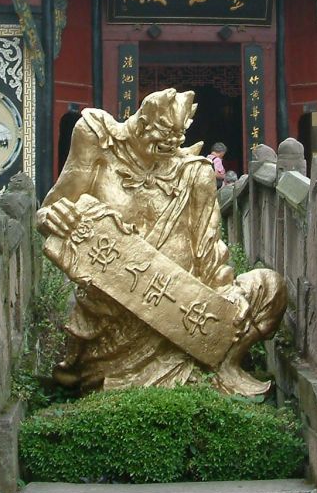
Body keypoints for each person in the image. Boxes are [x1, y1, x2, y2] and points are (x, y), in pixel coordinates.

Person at [38, 89, 285, 396]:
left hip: (181, 307)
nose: (169, 151)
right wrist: (52, 217)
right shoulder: (97, 139)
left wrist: (225, 299)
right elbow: (50, 209)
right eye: (162, 141)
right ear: (142, 124)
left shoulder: (193, 172)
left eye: (175, 142)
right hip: (117, 311)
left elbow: (209, 254)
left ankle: (220, 361)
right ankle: (180, 368)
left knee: (269, 287)